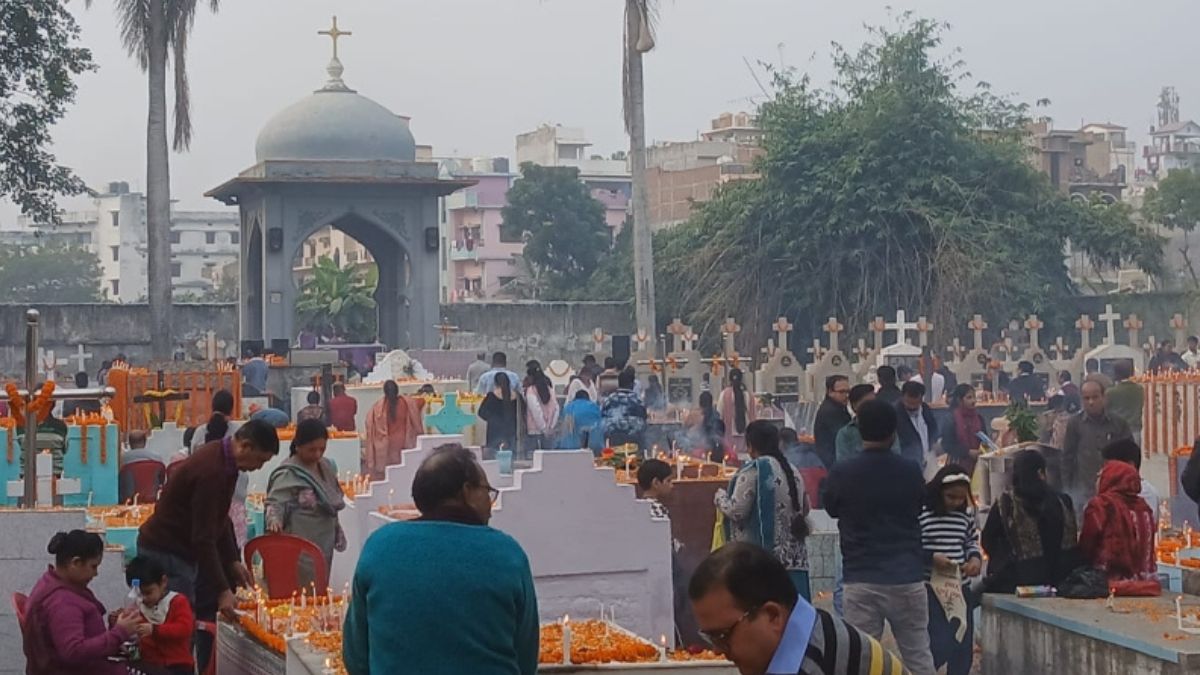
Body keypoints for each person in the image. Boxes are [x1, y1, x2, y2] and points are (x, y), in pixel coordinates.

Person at [342, 444, 539, 674]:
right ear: (467, 491)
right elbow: (526, 657)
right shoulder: (507, 555)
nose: (490, 503)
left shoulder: (379, 547)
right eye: (487, 490)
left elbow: (356, 656)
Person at [137, 419, 278, 660]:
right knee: (176, 627)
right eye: (260, 460)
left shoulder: (224, 461)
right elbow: (203, 537)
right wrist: (223, 590)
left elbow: (220, 518)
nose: (257, 468)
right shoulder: (212, 471)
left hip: (178, 547)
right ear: (245, 446)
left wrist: (232, 561)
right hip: (168, 551)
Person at [823, 400, 934, 675]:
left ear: (859, 429)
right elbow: (921, 504)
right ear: (894, 431)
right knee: (918, 655)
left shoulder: (843, 472)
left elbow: (832, 508)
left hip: (861, 578)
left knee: (860, 660)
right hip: (907, 578)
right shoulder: (910, 470)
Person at [689, 542, 910, 675]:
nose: (718, 651)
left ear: (773, 615)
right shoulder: (811, 629)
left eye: (723, 636)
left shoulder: (812, 663)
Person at [23, 530, 142, 675]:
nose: (95, 574)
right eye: (93, 566)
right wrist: (120, 633)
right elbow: (73, 651)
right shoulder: (63, 603)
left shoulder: (51, 582)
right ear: (75, 563)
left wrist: (115, 628)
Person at [715, 421, 812, 599]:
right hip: (795, 559)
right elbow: (805, 508)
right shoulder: (792, 469)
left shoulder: (754, 470)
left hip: (763, 562)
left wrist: (720, 498)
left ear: (750, 446)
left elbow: (737, 511)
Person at [981, 448, 1081, 593]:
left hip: (1017, 582)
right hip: (1062, 581)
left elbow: (988, 541)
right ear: (1041, 473)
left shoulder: (1005, 503)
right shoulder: (1063, 501)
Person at [265, 418, 346, 585]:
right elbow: (275, 502)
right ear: (298, 446)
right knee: (303, 588)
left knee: (321, 584)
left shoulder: (326, 466)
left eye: (321, 449)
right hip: (301, 542)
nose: (317, 454)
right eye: (311, 450)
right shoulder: (288, 472)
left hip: (325, 541)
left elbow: (331, 498)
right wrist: (274, 520)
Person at [919, 466, 982, 675]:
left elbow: (971, 541)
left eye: (960, 498)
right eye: (950, 497)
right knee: (939, 643)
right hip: (932, 589)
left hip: (959, 589)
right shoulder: (922, 513)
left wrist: (974, 559)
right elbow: (912, 548)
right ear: (938, 491)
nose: (956, 502)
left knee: (962, 645)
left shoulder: (966, 515)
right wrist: (932, 558)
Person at [1079, 460, 1157, 585]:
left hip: (1107, 581)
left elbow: (1087, 544)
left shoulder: (1101, 505)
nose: (1097, 481)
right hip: (1145, 582)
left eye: (1100, 476)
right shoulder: (1144, 507)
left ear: (1111, 478)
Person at [1063, 379, 1132, 509]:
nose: (1091, 402)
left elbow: (1130, 457)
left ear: (1104, 397)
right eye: (1086, 398)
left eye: (1095, 397)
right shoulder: (1075, 424)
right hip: (1085, 490)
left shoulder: (1118, 424)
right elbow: (1068, 457)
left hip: (1114, 490)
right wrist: (1068, 489)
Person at [125, 555, 195, 675]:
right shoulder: (138, 606)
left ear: (163, 582)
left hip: (177, 664)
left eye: (148, 592)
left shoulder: (177, 601)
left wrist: (155, 629)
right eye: (139, 594)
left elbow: (184, 629)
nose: (144, 598)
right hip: (150, 664)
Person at [364, 380, 424, 479]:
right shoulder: (407, 403)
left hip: (387, 446)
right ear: (397, 390)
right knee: (404, 475)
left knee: (389, 476)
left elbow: (369, 423)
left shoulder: (378, 407)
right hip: (405, 443)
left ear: (385, 392)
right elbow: (421, 403)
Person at [1101, 438, 1160, 520]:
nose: (1103, 471)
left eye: (1110, 466)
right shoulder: (1152, 493)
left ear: (1130, 465)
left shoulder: (1117, 497)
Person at [940, 384, 985, 476]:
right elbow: (947, 445)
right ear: (959, 400)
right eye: (969, 397)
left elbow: (984, 439)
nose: (974, 401)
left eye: (974, 397)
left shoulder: (979, 417)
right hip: (956, 465)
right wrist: (967, 452)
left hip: (978, 465)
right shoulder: (951, 419)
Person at [895, 381, 939, 473]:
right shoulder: (894, 414)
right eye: (908, 403)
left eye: (915, 404)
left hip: (928, 459)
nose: (912, 407)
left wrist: (934, 442)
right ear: (902, 397)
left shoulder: (925, 409)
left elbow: (933, 427)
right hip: (906, 464)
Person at [600, 368, 648, 448]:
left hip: (612, 439)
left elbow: (602, 417)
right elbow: (644, 419)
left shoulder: (608, 400)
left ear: (618, 383)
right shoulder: (637, 401)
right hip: (634, 440)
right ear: (632, 384)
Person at [781, 427, 826, 510]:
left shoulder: (786, 461)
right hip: (821, 511)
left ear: (781, 443)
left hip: (798, 510)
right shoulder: (815, 456)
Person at [812, 375, 851, 469]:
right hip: (834, 462)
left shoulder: (839, 408)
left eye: (848, 392)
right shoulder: (831, 411)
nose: (846, 396)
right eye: (842, 392)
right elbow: (844, 436)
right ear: (830, 392)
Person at [478, 373, 520, 456]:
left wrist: (492, 420)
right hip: (512, 432)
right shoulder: (517, 397)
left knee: (494, 458)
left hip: (494, 433)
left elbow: (481, 412)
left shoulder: (491, 396)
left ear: (496, 383)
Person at [834, 383, 878, 463]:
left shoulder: (886, 428)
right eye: (867, 403)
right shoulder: (845, 434)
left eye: (874, 403)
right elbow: (843, 464)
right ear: (854, 406)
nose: (872, 407)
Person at [719, 368, 757, 455]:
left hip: (729, 436)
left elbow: (719, 415)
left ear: (729, 379)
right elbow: (754, 416)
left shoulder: (724, 394)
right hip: (746, 436)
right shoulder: (749, 395)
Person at [523, 364, 560, 452]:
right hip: (550, 431)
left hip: (534, 432)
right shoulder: (550, 390)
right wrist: (550, 427)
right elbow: (556, 409)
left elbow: (536, 411)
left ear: (531, 377)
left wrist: (543, 429)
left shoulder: (531, 390)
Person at [684, 391, 726, 462]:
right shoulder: (717, 415)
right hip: (718, 452)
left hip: (700, 453)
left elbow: (686, 432)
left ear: (700, 403)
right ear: (711, 402)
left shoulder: (695, 415)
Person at [1105, 360, 1144, 438]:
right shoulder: (1140, 389)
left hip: (1117, 431)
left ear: (1116, 374)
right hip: (1135, 430)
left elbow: (1105, 410)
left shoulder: (1110, 392)